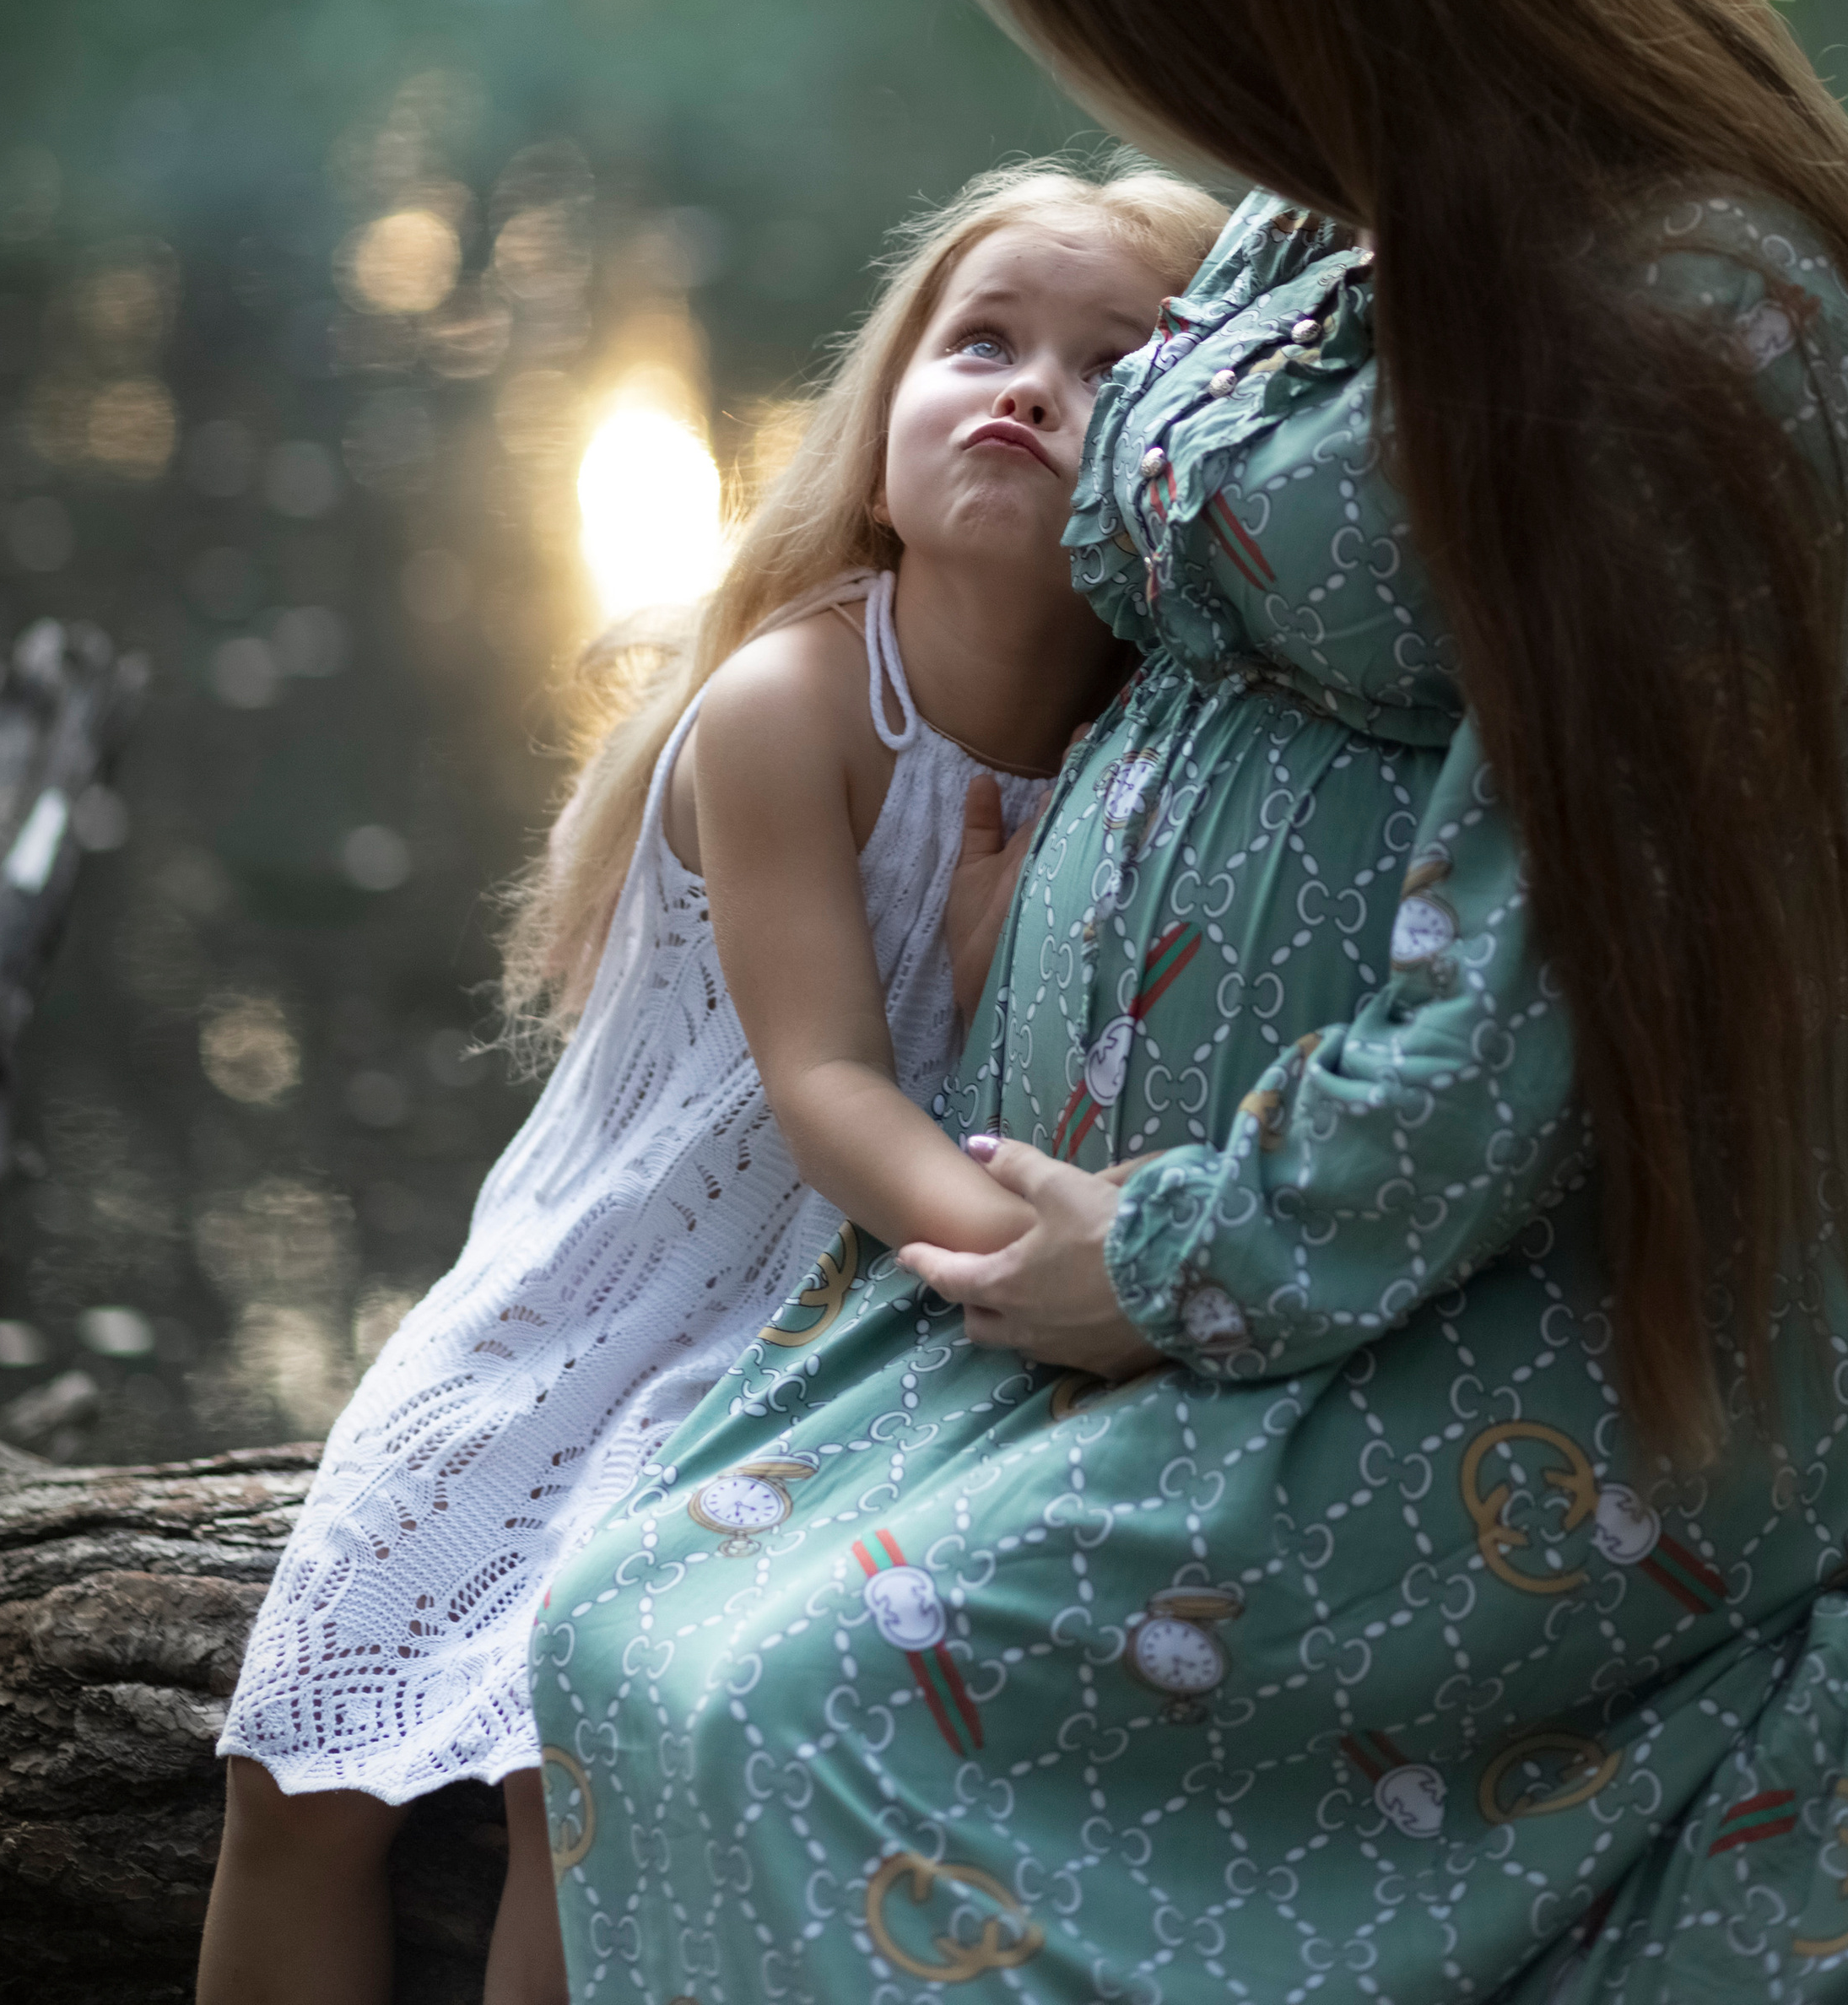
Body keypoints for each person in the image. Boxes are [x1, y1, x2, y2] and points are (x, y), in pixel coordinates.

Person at [532, 0, 1848, 2003]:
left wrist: (1155, 1267)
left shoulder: (1703, 337)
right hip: (1207, 1278)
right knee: (625, 1627)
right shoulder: (1319, 214)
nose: (1147, 112)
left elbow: (1542, 1016)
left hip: (1517, 1332)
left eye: (1140, 37)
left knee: (820, 1715)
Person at [197, 159, 1226, 2005]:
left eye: (1107, 363)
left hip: (838, 1334)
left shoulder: (1153, 756)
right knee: (298, 1762)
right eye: (978, 340)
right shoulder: (795, 704)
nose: (1028, 387)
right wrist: (1076, 1267)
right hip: (591, 1295)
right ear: (883, 407)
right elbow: (827, 1080)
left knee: (568, 1764)